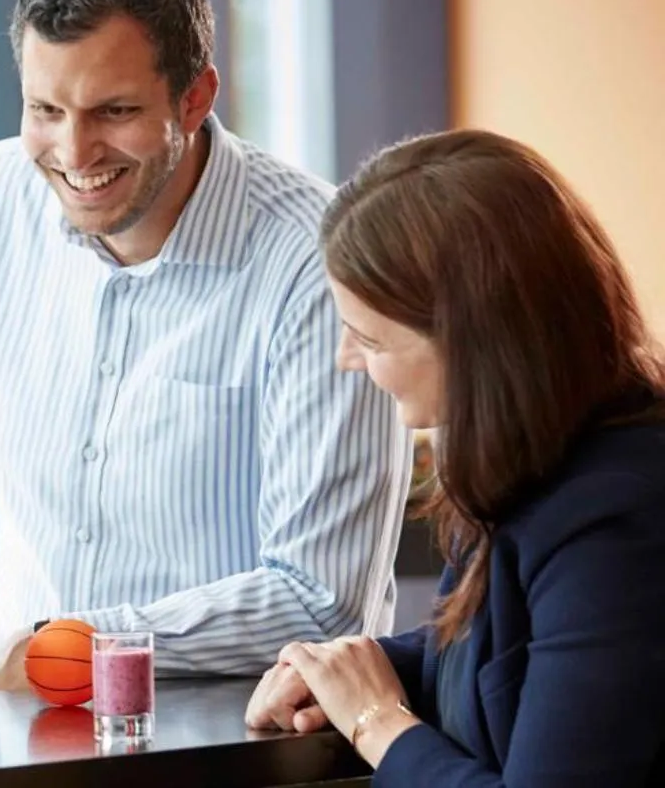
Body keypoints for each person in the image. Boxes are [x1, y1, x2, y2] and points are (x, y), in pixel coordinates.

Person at [0, 0, 410, 688]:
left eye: (113, 112)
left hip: (239, 734)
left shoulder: (315, 264)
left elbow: (322, 601)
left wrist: (66, 650)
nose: (74, 153)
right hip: (22, 721)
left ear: (197, 96)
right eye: (46, 110)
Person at [245, 130, 665, 785]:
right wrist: (347, 670)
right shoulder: (534, 463)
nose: (345, 360)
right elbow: (513, 654)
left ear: (473, 345)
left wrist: (375, 721)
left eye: (368, 339)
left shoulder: (614, 521)